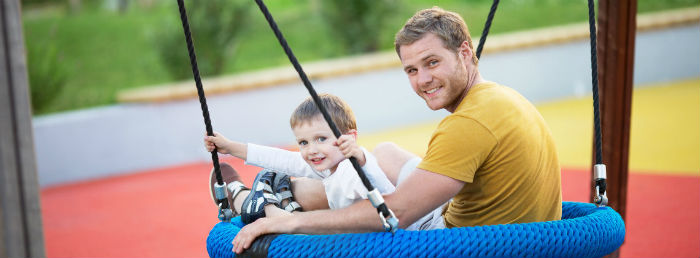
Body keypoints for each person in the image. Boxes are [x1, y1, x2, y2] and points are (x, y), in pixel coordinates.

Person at [229, 6, 563, 254]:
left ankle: (267, 200)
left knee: (353, 184)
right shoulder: (503, 98)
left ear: (464, 53)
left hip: (461, 246)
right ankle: (285, 188)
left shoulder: (469, 123)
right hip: (506, 234)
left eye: (432, 62)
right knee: (383, 154)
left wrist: (293, 224)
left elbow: (395, 214)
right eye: (412, 70)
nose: (423, 80)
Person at [205, 93, 444, 229]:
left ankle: (258, 205)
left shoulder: (354, 167)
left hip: (417, 232)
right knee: (284, 175)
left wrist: (359, 155)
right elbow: (283, 159)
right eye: (304, 142)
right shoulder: (328, 162)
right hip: (383, 228)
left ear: (349, 138)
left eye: (321, 138)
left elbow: (373, 180)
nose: (312, 150)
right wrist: (231, 147)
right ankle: (257, 202)